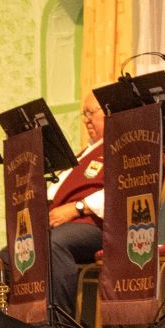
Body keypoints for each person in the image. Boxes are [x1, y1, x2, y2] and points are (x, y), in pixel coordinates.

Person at [39, 96, 108, 315]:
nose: (86, 120)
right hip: (60, 226)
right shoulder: (81, 154)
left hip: (97, 227)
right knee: (9, 255)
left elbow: (120, 192)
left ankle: (60, 324)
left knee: (53, 243)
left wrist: (77, 208)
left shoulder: (122, 148)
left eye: (91, 113)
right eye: (84, 114)